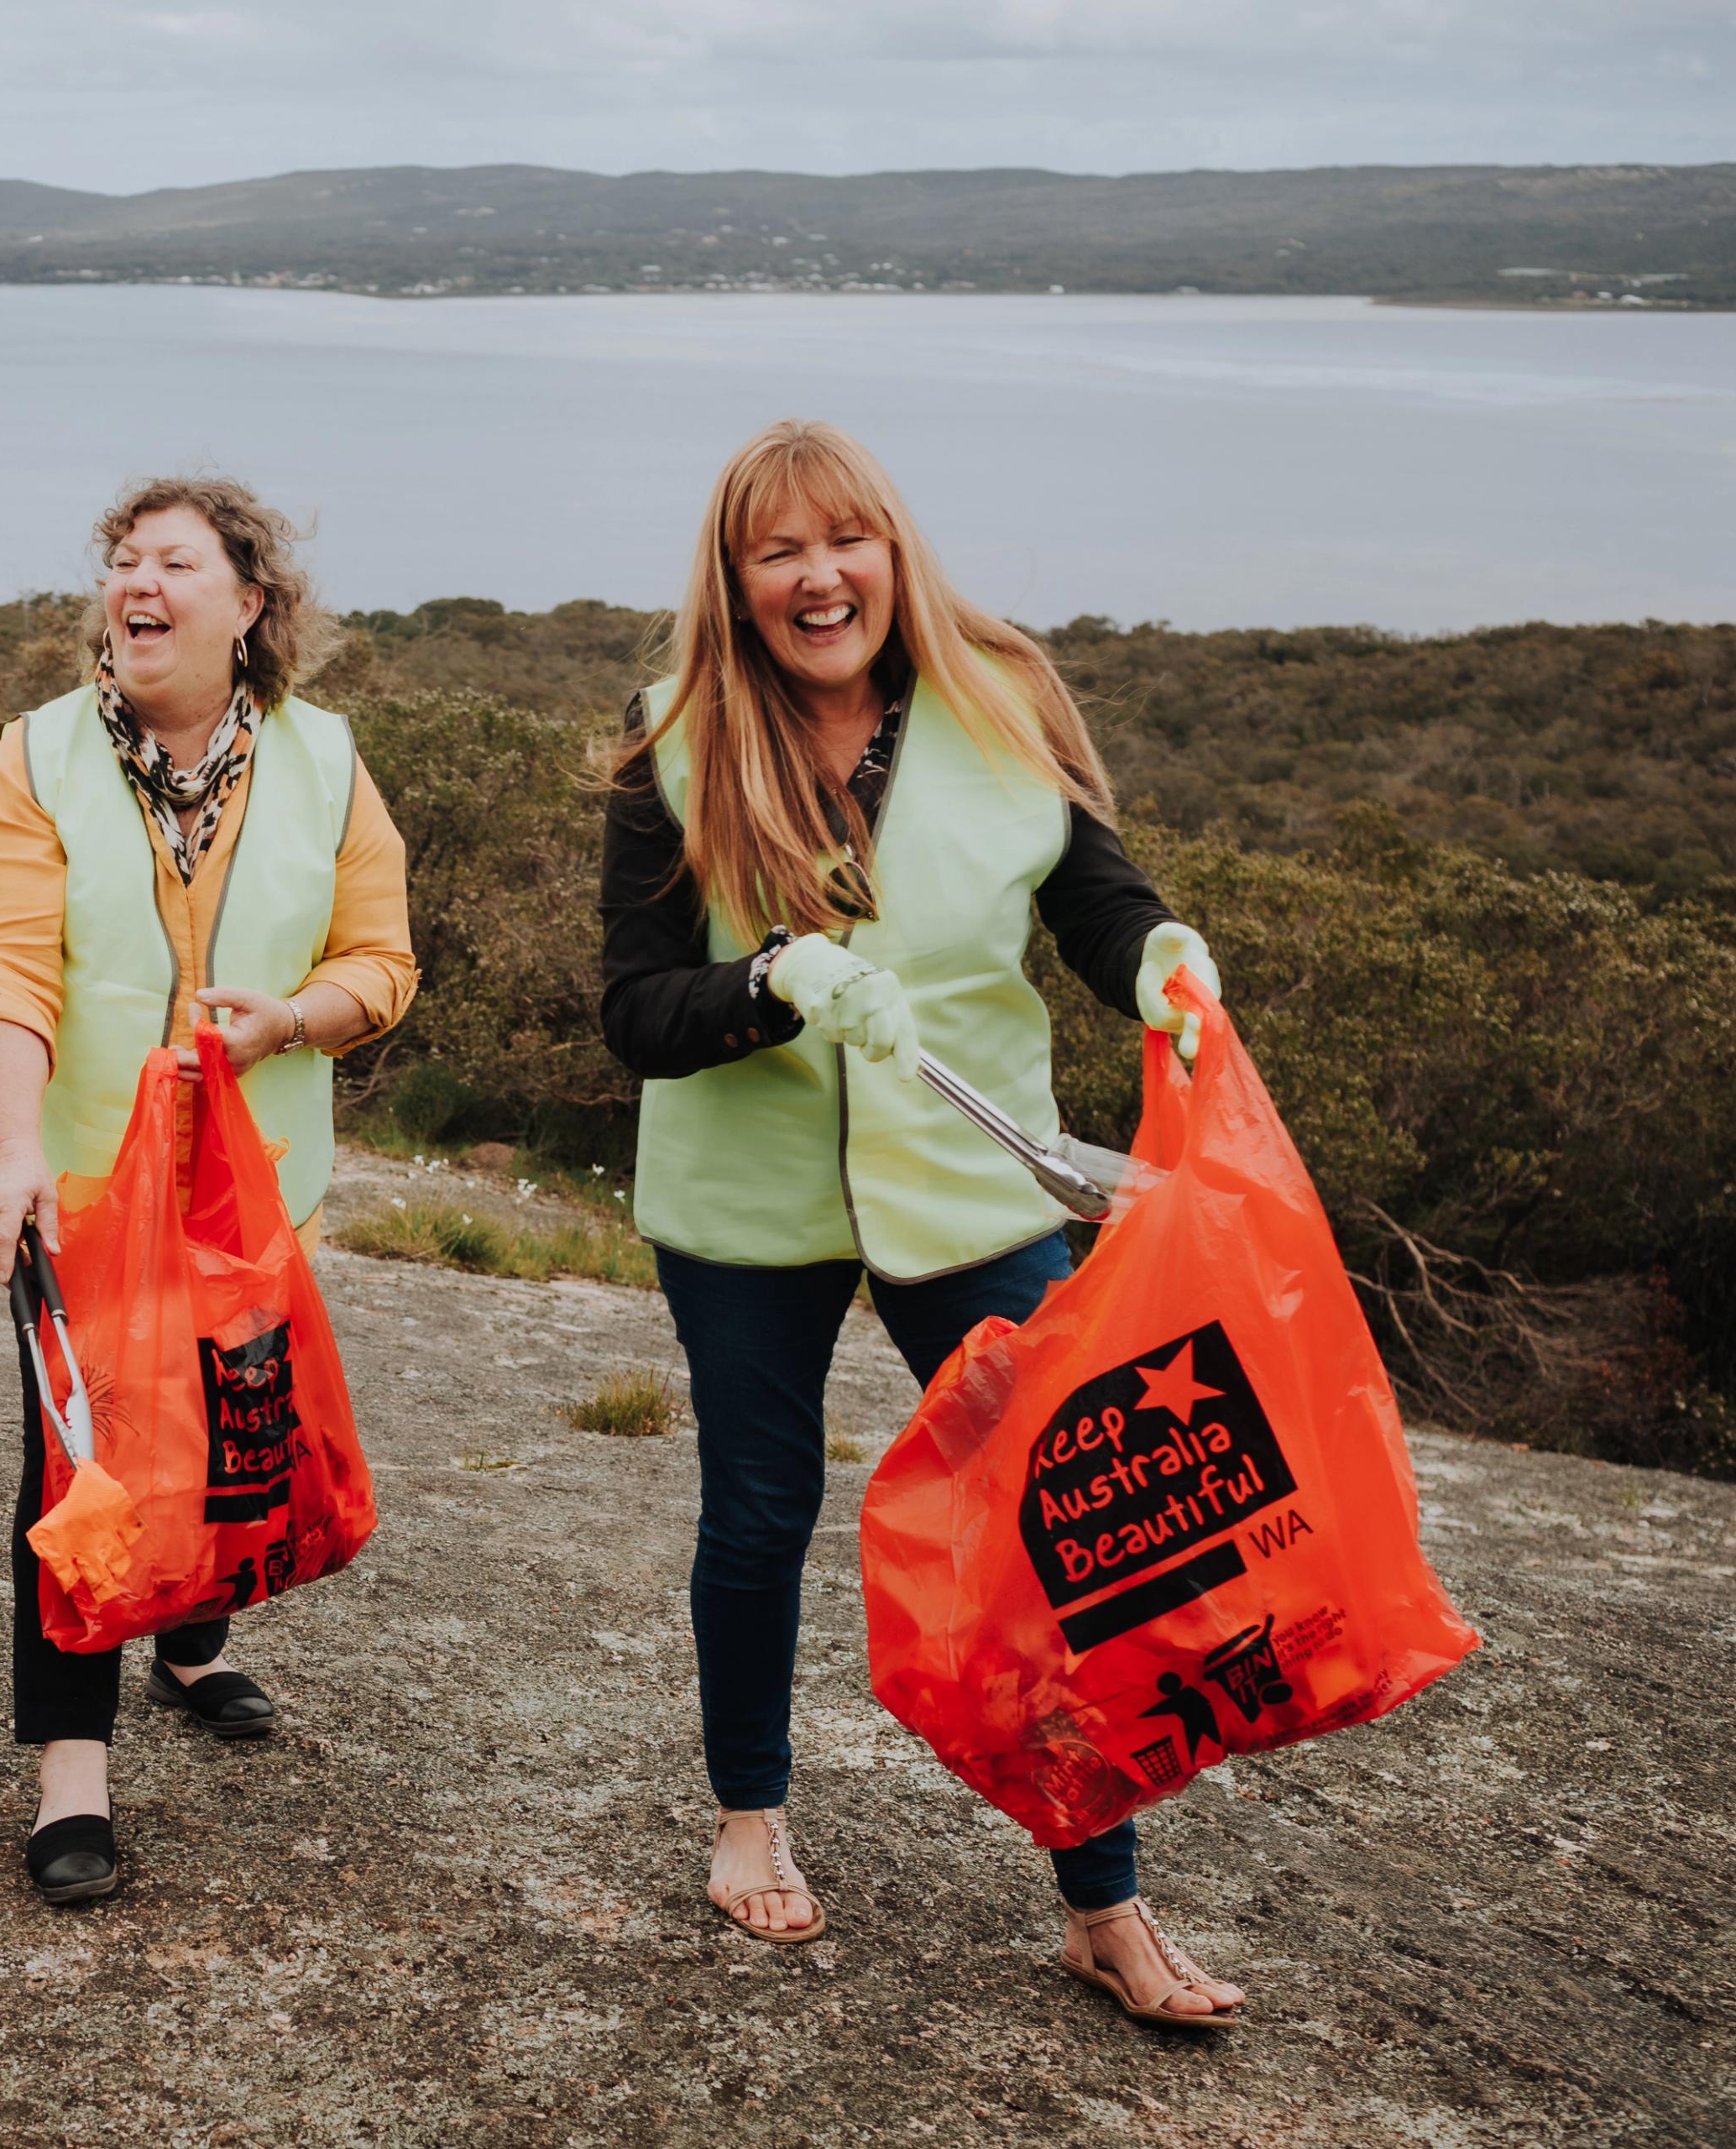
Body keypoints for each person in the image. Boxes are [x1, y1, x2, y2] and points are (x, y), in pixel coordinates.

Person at [599, 420, 1246, 2027]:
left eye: (845, 542)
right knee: (759, 1518)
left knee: (1060, 1528)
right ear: (736, 582)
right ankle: (750, 1817)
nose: (819, 578)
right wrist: (770, 984)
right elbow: (635, 1011)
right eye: (778, 553)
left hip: (975, 1190)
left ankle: (1105, 1905)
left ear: (893, 548)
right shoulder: (673, 734)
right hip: (746, 1209)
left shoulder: (1003, 694)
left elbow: (1091, 900)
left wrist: (1162, 954)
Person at [0, 476, 416, 1904]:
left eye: (173, 562)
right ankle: (72, 1776)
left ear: (249, 604)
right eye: (121, 561)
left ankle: (195, 1640)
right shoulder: (33, 759)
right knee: (81, 1463)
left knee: (229, 1433)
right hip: (85, 1185)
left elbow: (383, 964)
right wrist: (13, 1148)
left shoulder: (330, 763)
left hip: (255, 1199)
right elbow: (11, 970)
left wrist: (292, 1018)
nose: (134, 585)